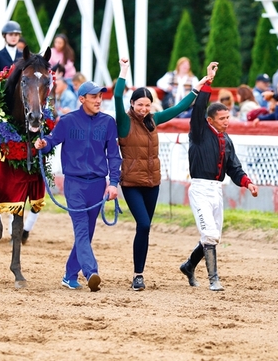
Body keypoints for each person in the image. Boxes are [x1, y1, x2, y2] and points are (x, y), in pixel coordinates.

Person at [115, 58, 211, 291]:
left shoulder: (153, 120)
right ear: (132, 104)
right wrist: (124, 70)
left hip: (153, 182)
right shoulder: (124, 122)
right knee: (144, 224)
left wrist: (199, 85)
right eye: (140, 105)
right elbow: (117, 97)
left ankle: (139, 273)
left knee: (145, 228)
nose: (144, 109)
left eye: (147, 105)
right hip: (131, 183)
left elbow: (179, 108)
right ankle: (138, 275)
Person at [34, 80, 121, 292]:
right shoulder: (67, 121)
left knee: (87, 233)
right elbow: (52, 142)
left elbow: (114, 156)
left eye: (100, 96)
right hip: (74, 184)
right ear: (82, 99)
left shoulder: (109, 123)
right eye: (94, 97)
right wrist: (43, 144)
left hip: (98, 185)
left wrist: (114, 183)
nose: (98, 100)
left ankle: (70, 275)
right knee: (82, 229)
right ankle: (91, 272)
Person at [179, 62, 259, 291]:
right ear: (210, 120)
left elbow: (234, 167)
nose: (227, 121)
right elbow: (199, 108)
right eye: (223, 118)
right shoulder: (199, 131)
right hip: (200, 189)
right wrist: (208, 81)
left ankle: (188, 265)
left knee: (213, 237)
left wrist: (248, 183)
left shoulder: (227, 140)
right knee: (210, 234)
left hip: (216, 190)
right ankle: (214, 279)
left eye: (228, 117)